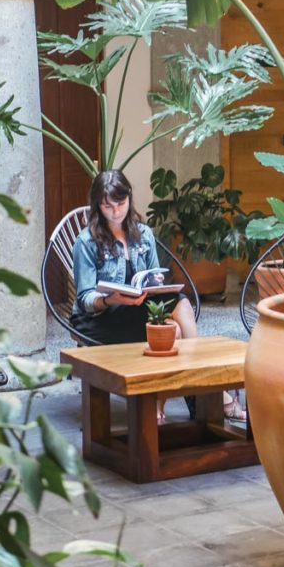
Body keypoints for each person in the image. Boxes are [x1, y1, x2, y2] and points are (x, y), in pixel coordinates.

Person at [70, 169, 246, 422]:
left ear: (129, 199)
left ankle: (159, 408)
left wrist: (155, 281)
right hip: (100, 318)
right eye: (107, 206)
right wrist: (110, 298)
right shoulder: (86, 241)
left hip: (138, 309)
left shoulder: (143, 234)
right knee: (168, 329)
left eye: (120, 204)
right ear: (98, 205)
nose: (116, 211)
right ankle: (209, 392)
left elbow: (153, 279)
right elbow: (84, 300)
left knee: (174, 319)